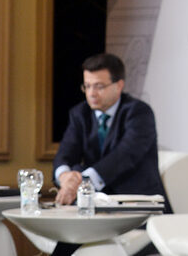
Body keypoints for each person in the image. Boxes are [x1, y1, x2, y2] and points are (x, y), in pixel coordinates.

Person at [53, 53, 168, 206]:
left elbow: (125, 155)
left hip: (139, 202)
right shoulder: (80, 113)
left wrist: (81, 181)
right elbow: (65, 153)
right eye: (87, 86)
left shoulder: (140, 112)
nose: (91, 93)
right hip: (97, 203)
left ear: (119, 85)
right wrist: (64, 177)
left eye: (99, 86)